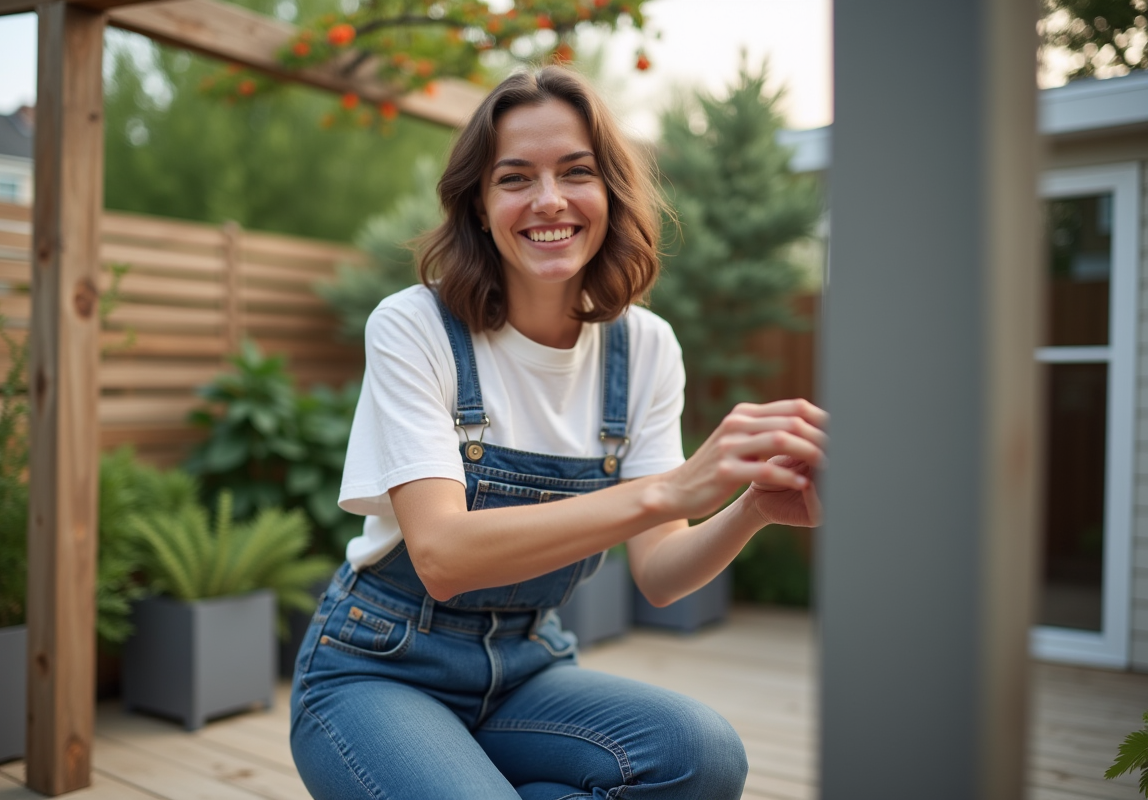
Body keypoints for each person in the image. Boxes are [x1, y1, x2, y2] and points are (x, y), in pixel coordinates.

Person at [289, 65, 826, 800]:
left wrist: (752, 507)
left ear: (608, 194)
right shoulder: (415, 327)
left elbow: (660, 571)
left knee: (700, 755)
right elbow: (442, 556)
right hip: (378, 667)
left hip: (527, 666)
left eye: (576, 172)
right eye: (514, 178)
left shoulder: (644, 348)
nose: (549, 201)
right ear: (479, 206)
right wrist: (670, 489)